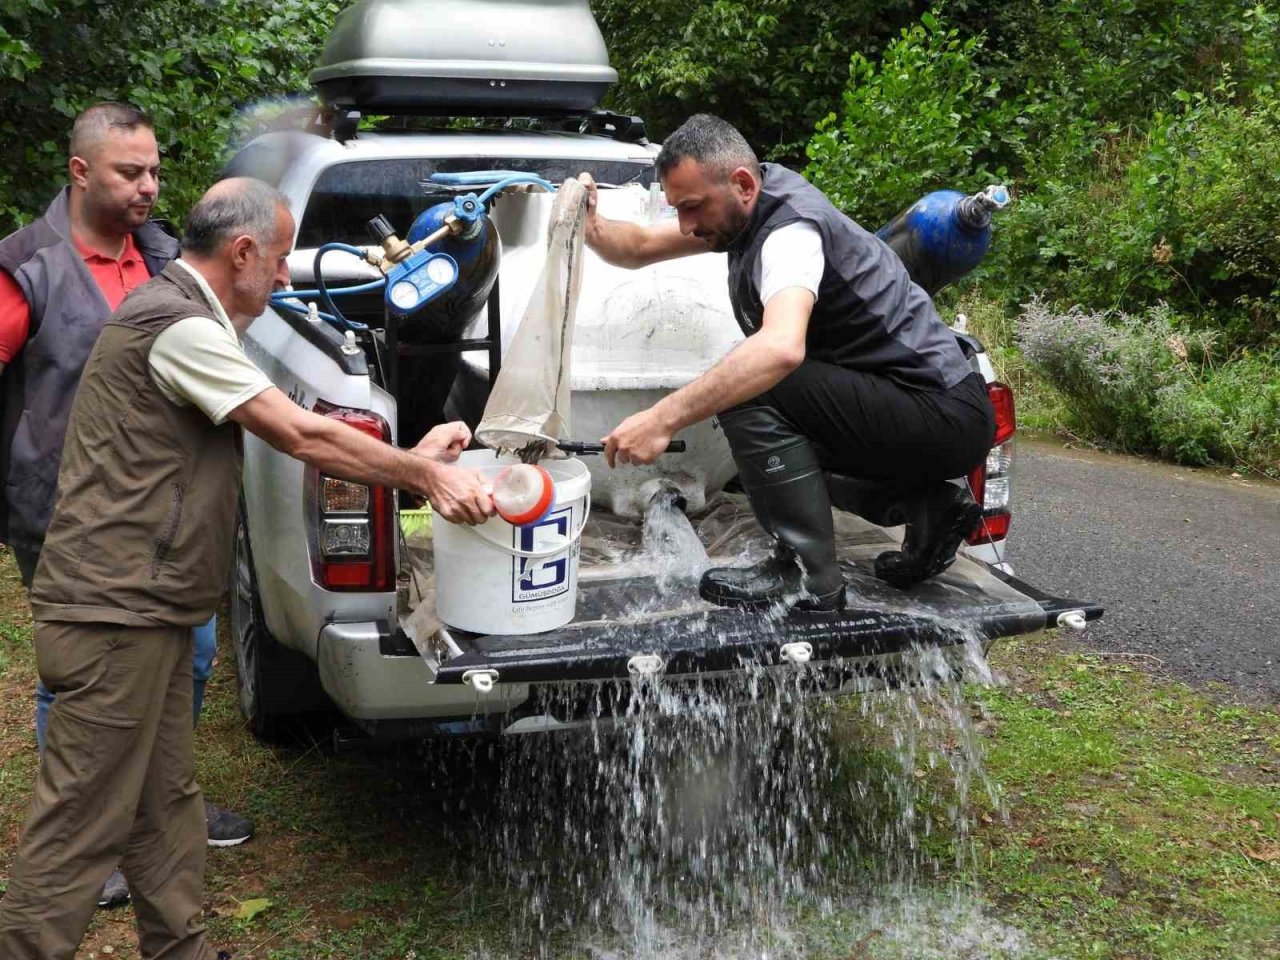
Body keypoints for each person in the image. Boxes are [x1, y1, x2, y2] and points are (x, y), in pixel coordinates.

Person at [0, 176, 495, 960]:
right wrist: (422, 476)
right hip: (111, 614)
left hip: (146, 608)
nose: (289, 275)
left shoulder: (190, 315)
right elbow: (302, 433)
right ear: (241, 253)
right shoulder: (179, 328)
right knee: (81, 822)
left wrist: (407, 455)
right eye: (281, 257)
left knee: (165, 802)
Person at [580, 114, 995, 610]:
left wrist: (660, 419)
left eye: (691, 208)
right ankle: (929, 507)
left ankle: (805, 576)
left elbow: (779, 348)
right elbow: (639, 247)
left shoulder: (790, 233)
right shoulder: (738, 211)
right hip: (920, 408)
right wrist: (589, 220)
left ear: (743, 184)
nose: (687, 225)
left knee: (754, 383)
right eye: (678, 209)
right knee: (774, 446)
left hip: (939, 412)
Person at [0, 102, 252, 911]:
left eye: (154, 171)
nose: (149, 187)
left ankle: (156, 803)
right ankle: (93, 833)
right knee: (80, 679)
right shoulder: (26, 269)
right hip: (65, 512)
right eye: (129, 173)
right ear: (80, 173)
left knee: (194, 654)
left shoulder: (165, 259)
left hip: (166, 518)